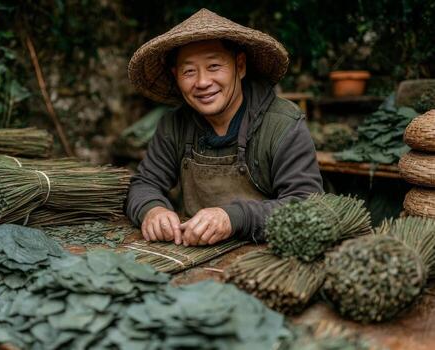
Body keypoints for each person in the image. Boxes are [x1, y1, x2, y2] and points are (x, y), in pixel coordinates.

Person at [125, 8, 323, 246]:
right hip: (198, 257)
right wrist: (152, 210)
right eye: (189, 71)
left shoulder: (282, 124)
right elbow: (145, 183)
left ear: (240, 66)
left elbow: (308, 204)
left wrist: (233, 218)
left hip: (269, 256)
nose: (202, 82)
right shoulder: (174, 125)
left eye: (214, 66)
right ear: (176, 76)